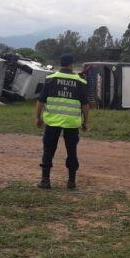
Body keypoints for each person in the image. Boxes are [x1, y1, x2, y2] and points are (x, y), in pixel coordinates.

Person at [35, 54, 90, 189]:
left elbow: (41, 101)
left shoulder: (50, 79)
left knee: (48, 150)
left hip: (52, 122)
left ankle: (45, 181)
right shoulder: (80, 81)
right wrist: (85, 121)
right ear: (71, 65)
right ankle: (71, 182)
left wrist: (38, 117)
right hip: (72, 123)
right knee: (71, 151)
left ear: (60, 64)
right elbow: (85, 105)